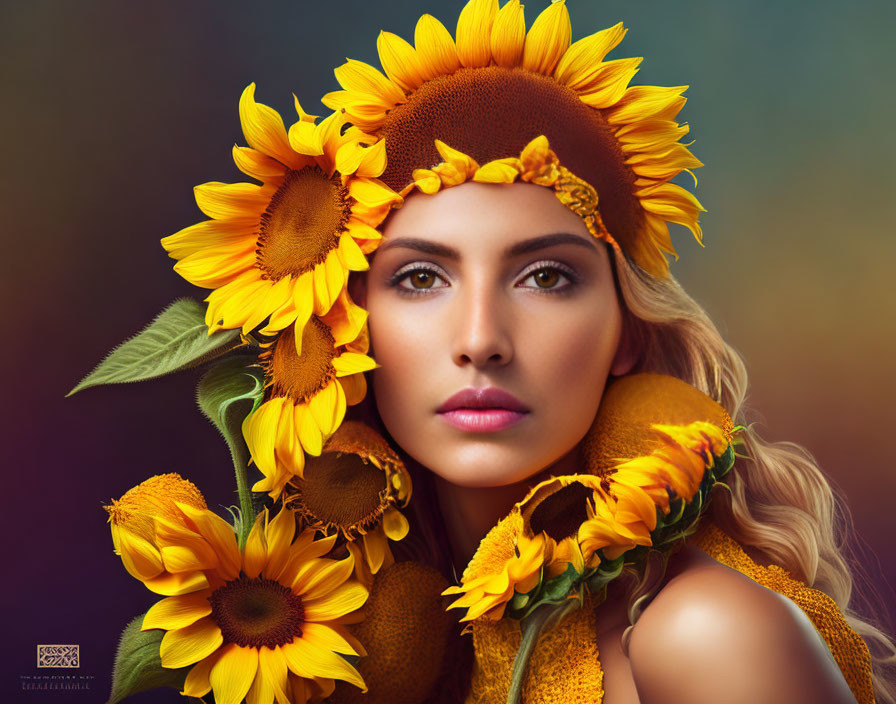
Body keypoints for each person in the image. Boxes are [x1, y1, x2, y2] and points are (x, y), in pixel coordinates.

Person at [133, 0, 895, 702]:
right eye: (422, 277)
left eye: (546, 276)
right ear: (344, 329)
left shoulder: (704, 634)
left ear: (626, 331)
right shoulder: (372, 643)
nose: (480, 342)